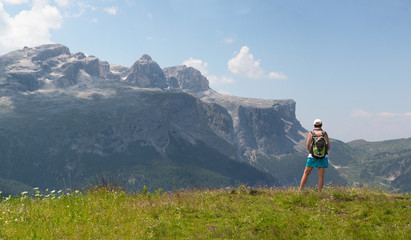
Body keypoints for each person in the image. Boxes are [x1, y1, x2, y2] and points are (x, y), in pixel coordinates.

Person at [299, 119, 330, 193]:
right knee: (321, 175)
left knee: (306, 173)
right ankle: (319, 193)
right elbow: (328, 146)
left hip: (312, 156)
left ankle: (300, 190)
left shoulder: (311, 133)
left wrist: (312, 153)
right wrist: (323, 153)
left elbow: (307, 145)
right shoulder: (324, 133)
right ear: (321, 125)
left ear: (314, 125)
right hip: (323, 156)